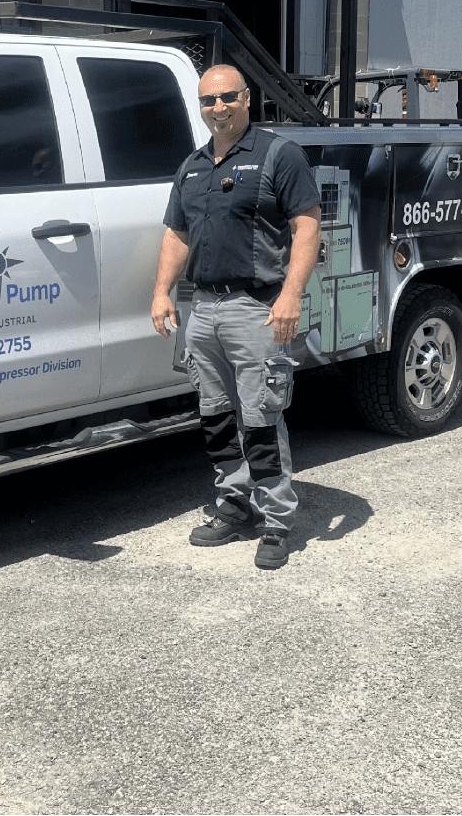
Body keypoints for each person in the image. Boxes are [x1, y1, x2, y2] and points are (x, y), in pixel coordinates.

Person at [152, 65, 321, 569]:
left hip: (255, 308)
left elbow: (307, 226)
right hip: (203, 308)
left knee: (260, 415)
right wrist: (161, 292)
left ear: (247, 99)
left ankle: (275, 520)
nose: (218, 107)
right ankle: (233, 504)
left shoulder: (277, 154)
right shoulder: (192, 166)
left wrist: (290, 295)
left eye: (227, 97)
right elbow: (176, 235)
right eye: (208, 100)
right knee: (216, 414)